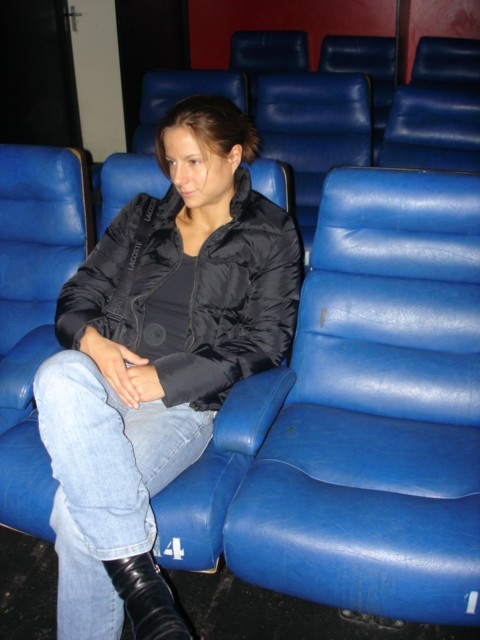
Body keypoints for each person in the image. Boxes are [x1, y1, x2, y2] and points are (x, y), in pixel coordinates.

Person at [34, 94, 302, 640]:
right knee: (56, 373)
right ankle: (148, 594)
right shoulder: (141, 216)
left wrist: (167, 377)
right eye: (172, 162)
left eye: (194, 161)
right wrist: (95, 343)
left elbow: (267, 342)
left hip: (182, 403)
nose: (179, 177)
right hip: (101, 380)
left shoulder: (272, 233)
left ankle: (139, 593)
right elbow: (78, 295)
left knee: (74, 514)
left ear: (233, 156)